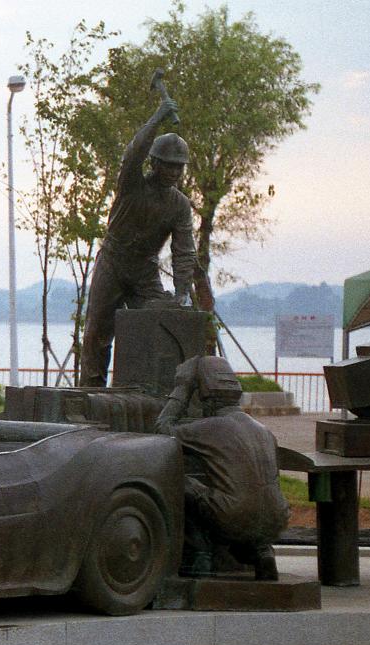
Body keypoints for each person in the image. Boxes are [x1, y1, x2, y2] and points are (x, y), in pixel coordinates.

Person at [79, 97, 200, 388]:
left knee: (161, 323)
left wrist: (182, 291)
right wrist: (158, 116)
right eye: (168, 165)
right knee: (98, 330)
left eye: (179, 167)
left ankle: (150, 390)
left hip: (145, 270)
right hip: (113, 261)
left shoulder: (180, 205)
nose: (174, 172)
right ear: (154, 163)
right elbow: (132, 154)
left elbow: (184, 251)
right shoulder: (132, 184)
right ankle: (90, 391)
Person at [155, 356, 289, 580]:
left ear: (207, 400)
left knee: (178, 482)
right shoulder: (264, 431)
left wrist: (182, 388)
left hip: (234, 516)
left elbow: (163, 429)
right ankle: (262, 551)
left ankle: (200, 555)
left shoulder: (212, 428)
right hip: (277, 518)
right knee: (246, 499)